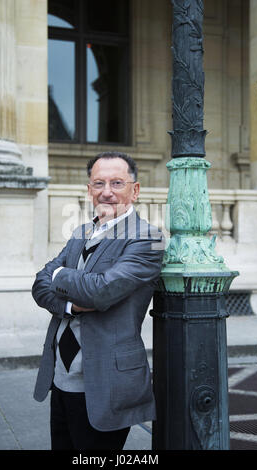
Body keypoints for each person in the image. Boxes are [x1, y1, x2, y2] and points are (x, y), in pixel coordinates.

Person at [32, 151, 164, 450]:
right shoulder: (81, 232)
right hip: (62, 377)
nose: (107, 192)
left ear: (135, 189)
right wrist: (68, 304)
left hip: (107, 381)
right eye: (98, 183)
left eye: (117, 183)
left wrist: (60, 275)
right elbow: (39, 284)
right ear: (89, 189)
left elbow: (101, 292)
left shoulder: (148, 238)